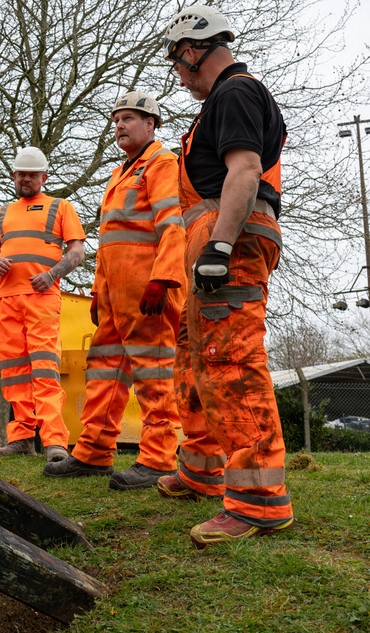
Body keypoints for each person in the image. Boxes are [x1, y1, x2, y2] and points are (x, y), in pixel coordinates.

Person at [158, 6, 293, 547]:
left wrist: (219, 245)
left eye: (177, 64)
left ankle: (259, 500)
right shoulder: (221, 101)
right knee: (197, 355)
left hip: (228, 242)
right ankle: (203, 469)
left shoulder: (235, 92)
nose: (178, 76)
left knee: (230, 359)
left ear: (192, 52)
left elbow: (245, 169)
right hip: (214, 243)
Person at [44, 92, 187, 490]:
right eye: (116, 120)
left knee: (154, 375)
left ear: (151, 124)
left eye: (128, 118)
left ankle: (158, 459)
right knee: (104, 374)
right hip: (115, 298)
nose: (119, 125)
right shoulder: (121, 173)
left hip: (147, 293)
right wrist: (98, 291)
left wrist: (164, 279)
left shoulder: (161, 163)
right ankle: (93, 452)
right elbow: (111, 242)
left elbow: (173, 225)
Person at [0, 147, 86, 461]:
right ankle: (21, 438)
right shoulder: (2, 213)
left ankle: (54, 441)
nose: (25, 179)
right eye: (21, 174)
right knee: (14, 373)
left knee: (44, 368)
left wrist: (52, 275)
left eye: (32, 174)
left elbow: (78, 251)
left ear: (44, 177)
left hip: (42, 298)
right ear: (14, 176)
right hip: (6, 301)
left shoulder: (60, 207)